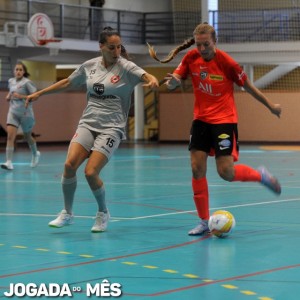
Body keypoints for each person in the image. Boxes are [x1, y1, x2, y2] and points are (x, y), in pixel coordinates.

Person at [147, 23, 282, 236]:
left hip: (224, 121)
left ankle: (260, 175)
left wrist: (271, 106)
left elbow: (249, 87)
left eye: (206, 44)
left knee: (226, 172)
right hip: (200, 120)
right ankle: (203, 221)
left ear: (215, 42)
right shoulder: (191, 58)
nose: (202, 49)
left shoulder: (227, 63)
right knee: (196, 168)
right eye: (199, 45)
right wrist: (172, 84)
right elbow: (176, 79)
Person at [25, 27, 159, 233]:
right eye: (112, 48)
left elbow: (145, 75)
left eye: (119, 47)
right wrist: (40, 93)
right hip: (88, 123)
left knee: (90, 172)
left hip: (112, 128)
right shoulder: (89, 66)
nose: (116, 52)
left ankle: (103, 212)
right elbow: (67, 82)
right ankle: (67, 213)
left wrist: (152, 80)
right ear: (101, 47)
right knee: (69, 165)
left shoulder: (126, 67)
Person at [1, 62, 41, 170]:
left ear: (24, 72)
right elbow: (11, 92)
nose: (18, 71)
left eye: (20, 70)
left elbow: (36, 96)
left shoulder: (27, 83)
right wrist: (8, 96)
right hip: (13, 112)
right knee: (10, 136)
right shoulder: (11, 81)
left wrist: (21, 96)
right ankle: (9, 162)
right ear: (14, 71)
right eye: (16, 69)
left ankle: (35, 154)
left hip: (26, 114)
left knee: (27, 136)